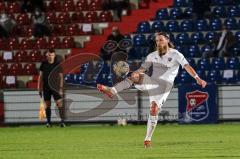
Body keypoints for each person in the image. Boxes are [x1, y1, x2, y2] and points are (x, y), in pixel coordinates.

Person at [97, 32, 207, 148]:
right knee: (136, 77)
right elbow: (142, 69)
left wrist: (197, 78)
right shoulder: (152, 55)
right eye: (157, 40)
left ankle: (147, 139)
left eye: (160, 40)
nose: (158, 42)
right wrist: (135, 73)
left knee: (154, 109)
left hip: (165, 86)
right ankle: (112, 91)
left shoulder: (176, 54)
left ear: (167, 40)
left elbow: (187, 67)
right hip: (152, 82)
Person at [38, 49, 65, 127]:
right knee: (47, 105)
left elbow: (61, 77)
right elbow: (40, 76)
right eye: (49, 55)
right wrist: (39, 88)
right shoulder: (43, 64)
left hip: (55, 87)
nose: (50, 56)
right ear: (47, 55)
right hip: (46, 87)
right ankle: (49, 123)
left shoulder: (57, 64)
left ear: (54, 55)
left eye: (52, 55)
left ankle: (62, 121)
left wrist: (60, 88)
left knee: (59, 104)